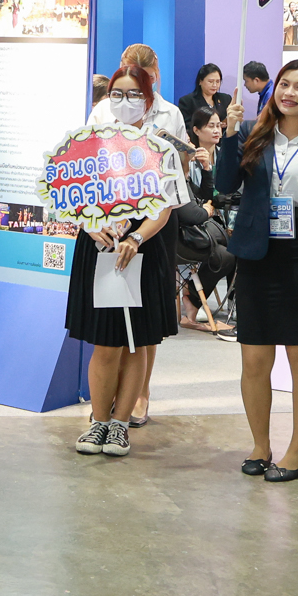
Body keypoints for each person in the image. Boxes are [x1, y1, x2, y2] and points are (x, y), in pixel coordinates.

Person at [215, 59, 298, 481]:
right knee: (255, 357)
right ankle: (260, 445)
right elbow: (224, 184)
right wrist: (228, 134)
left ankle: (296, 452)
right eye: (284, 84)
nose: (290, 93)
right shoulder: (250, 132)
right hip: (257, 254)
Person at [67, 62, 178, 459]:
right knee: (105, 342)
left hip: (142, 250)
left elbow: (164, 207)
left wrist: (136, 236)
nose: (124, 101)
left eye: (133, 94)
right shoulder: (88, 143)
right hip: (99, 248)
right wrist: (88, 223)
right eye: (117, 94)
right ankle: (99, 420)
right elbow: (71, 194)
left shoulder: (161, 148)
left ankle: (120, 424)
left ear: (148, 99)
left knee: (136, 342)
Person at [104, 44, 188, 426]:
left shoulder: (171, 114)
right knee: (112, 309)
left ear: (156, 74)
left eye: (145, 77)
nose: (135, 87)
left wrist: (187, 155)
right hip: (111, 218)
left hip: (156, 219)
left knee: (146, 313)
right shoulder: (102, 111)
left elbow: (179, 171)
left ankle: (141, 392)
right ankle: (111, 393)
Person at [176, 104, 238, 337]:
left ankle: (231, 304)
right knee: (228, 251)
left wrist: (207, 170)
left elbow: (208, 197)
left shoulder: (223, 156)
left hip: (208, 225)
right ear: (196, 131)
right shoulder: (181, 169)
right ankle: (192, 299)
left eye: (218, 125)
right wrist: (207, 210)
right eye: (210, 126)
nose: (216, 130)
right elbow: (196, 208)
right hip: (189, 232)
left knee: (233, 249)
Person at [177, 63, 231, 130]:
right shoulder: (187, 101)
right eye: (210, 81)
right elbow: (187, 126)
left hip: (222, 135)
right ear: (200, 81)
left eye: (217, 81)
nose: (214, 85)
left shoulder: (226, 99)